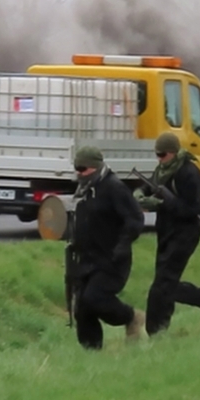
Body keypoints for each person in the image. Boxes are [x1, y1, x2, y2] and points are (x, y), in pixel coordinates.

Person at [134, 132, 200, 335]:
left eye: (162, 154)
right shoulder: (163, 170)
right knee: (168, 284)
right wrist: (140, 195)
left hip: (185, 234)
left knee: (161, 286)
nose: (159, 158)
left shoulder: (189, 173)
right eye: (157, 154)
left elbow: (192, 210)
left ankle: (156, 332)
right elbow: (148, 186)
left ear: (174, 153)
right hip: (166, 232)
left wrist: (162, 203)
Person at [69, 145, 146, 349]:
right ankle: (91, 353)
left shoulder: (114, 188)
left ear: (96, 167)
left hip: (112, 260)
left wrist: (124, 244)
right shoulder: (84, 191)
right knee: (82, 310)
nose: (79, 173)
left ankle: (131, 317)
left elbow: (135, 218)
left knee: (95, 298)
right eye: (77, 168)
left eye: (83, 168)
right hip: (87, 260)